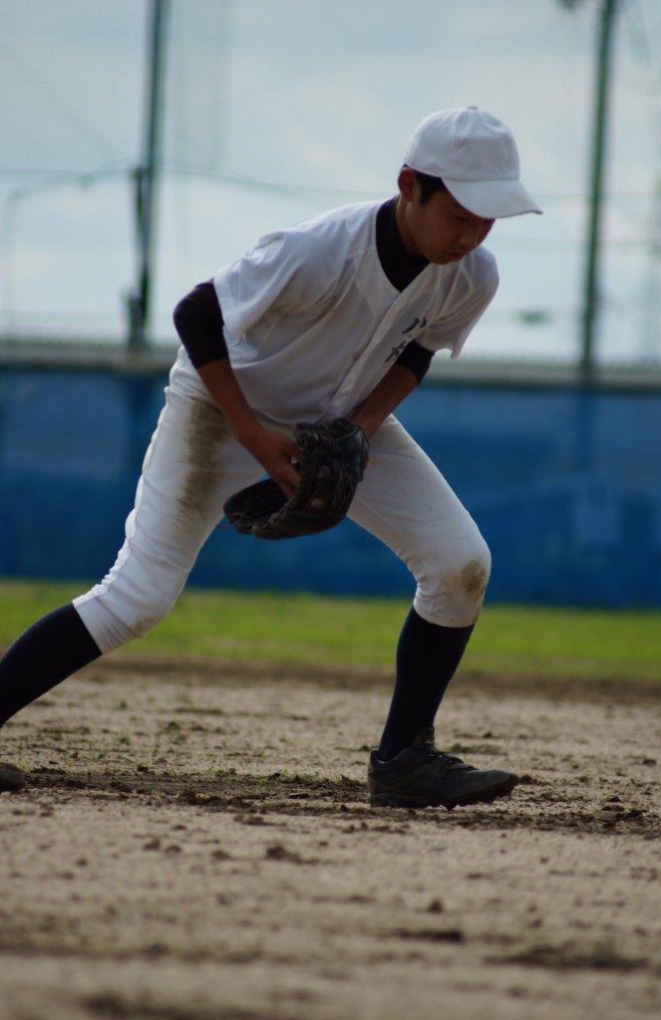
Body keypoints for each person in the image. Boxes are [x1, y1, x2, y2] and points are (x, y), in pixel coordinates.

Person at [0, 106, 541, 807]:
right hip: (222, 409)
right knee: (138, 597)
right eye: (460, 214)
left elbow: (417, 351)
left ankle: (404, 761)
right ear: (410, 185)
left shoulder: (471, 275)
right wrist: (251, 434)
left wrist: (359, 429)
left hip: (334, 420)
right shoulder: (322, 251)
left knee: (459, 561)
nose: (471, 234)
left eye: (488, 219)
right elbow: (197, 314)